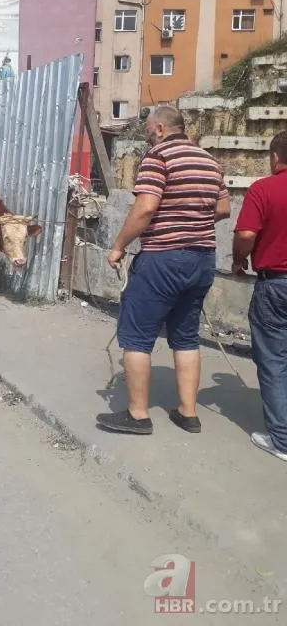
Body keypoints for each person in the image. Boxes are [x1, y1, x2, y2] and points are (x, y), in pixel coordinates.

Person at [97, 106, 230, 436]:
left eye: (147, 129)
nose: (145, 134)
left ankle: (138, 415)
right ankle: (187, 413)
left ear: (158, 128)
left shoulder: (158, 156)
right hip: (202, 260)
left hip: (163, 259)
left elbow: (145, 208)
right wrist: (192, 224)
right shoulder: (209, 161)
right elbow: (224, 208)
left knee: (136, 336)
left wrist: (118, 246)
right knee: (185, 337)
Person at [233, 131, 287, 462]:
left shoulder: (264, 189)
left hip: (276, 284)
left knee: (273, 361)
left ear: (275, 157)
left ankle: (281, 439)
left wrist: (239, 261)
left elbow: (246, 234)